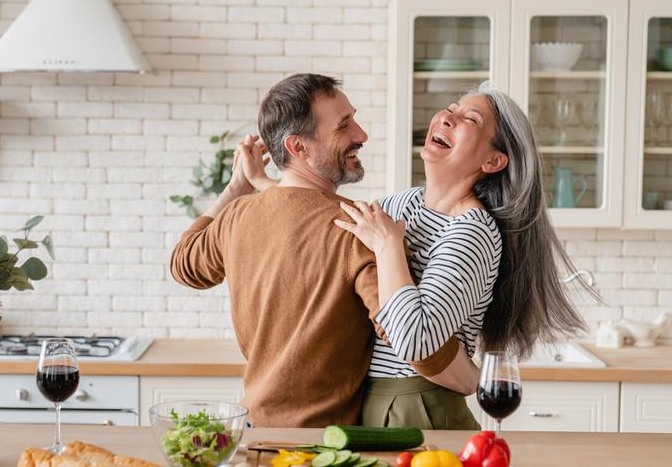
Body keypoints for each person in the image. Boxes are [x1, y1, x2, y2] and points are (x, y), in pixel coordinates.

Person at [169, 74, 474, 428]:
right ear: (298, 147)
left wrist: (236, 187)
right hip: (320, 446)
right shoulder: (357, 230)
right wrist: (474, 380)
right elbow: (413, 342)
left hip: (253, 432)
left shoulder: (237, 216)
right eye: (344, 126)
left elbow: (183, 264)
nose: (361, 135)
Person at [330, 83, 588, 427]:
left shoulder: (473, 232)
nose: (447, 118)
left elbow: (417, 341)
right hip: (370, 400)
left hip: (419, 407)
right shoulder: (401, 204)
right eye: (450, 109)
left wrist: (389, 246)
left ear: (493, 160)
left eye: (470, 119)